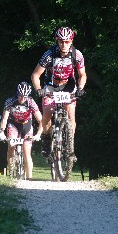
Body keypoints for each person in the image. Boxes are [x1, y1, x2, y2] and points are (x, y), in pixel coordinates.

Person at [31, 26, 87, 157]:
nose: (64, 44)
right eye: (61, 41)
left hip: (68, 85)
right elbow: (35, 75)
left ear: (71, 41)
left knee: (71, 113)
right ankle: (46, 138)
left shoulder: (77, 55)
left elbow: (82, 74)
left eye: (67, 41)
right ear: (57, 41)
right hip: (51, 85)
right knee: (46, 115)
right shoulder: (49, 55)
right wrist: (39, 90)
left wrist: (80, 89)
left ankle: (70, 147)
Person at [0, 82, 43, 180]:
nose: (22, 99)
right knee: (11, 146)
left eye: (25, 97)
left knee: (27, 152)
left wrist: (38, 134)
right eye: (20, 96)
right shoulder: (10, 101)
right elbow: (4, 119)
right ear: (17, 94)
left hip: (26, 125)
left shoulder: (31, 102)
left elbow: (41, 120)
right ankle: (10, 172)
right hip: (14, 124)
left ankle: (30, 178)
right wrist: (2, 132)